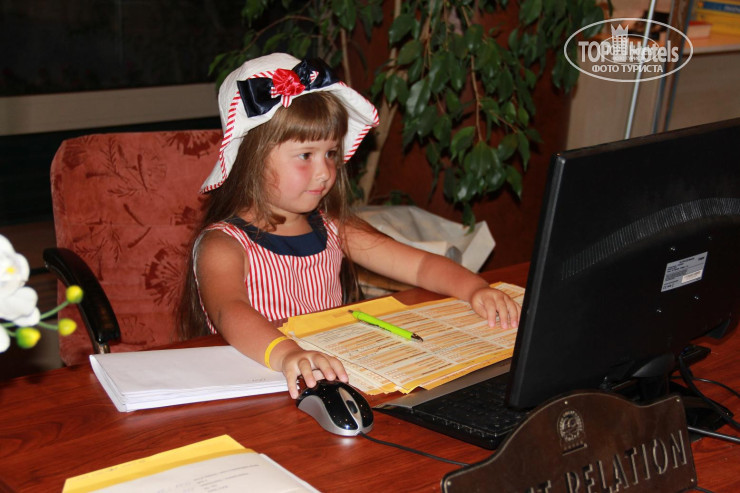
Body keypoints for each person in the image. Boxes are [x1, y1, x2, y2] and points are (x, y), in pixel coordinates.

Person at [179, 53, 521, 398]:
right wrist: (287, 354)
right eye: (305, 155)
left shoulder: (334, 228)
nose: (325, 172)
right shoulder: (223, 244)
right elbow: (230, 311)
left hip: (334, 378)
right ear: (250, 159)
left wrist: (475, 289)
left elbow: (419, 265)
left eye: (330, 153)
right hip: (261, 385)